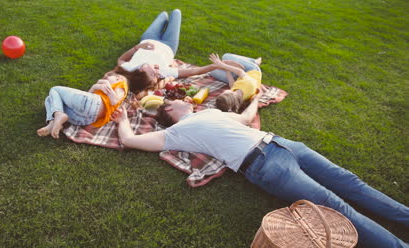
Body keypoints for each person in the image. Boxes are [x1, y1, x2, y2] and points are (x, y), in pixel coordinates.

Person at [110, 92, 409, 248]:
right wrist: (123, 117)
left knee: (352, 184)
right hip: (266, 165)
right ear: (171, 114)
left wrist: (255, 100)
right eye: (172, 103)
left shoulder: (211, 111)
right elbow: (129, 140)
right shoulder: (176, 133)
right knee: (337, 207)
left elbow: (244, 117)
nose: (180, 101)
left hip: (285, 145)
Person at [116, 9, 220, 97]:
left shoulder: (130, 67)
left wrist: (138, 47)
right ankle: (168, 17)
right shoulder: (163, 72)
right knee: (176, 12)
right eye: (156, 77)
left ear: (141, 70)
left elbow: (120, 60)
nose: (157, 74)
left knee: (163, 15)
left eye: (152, 74)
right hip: (169, 44)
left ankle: (164, 18)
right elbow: (194, 71)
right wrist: (216, 65)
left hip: (148, 38)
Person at [37, 71, 130, 139]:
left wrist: (107, 86)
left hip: (91, 107)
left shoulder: (121, 84)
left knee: (55, 89)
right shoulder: (103, 91)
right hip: (85, 119)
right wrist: (94, 87)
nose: (105, 78)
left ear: (118, 78)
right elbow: (85, 101)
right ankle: (52, 123)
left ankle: (58, 115)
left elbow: (114, 100)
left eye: (108, 76)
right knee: (50, 99)